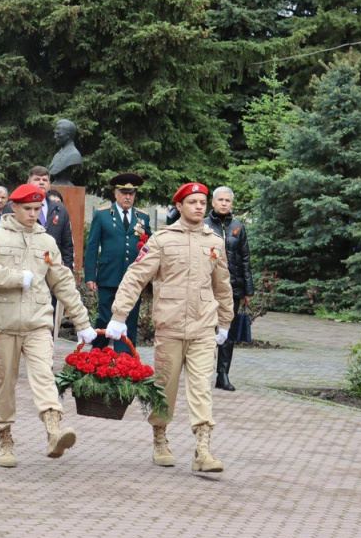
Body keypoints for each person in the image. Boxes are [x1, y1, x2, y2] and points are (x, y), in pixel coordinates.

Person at [104, 182, 234, 473]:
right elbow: (136, 276)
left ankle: (203, 449)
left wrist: (225, 321)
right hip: (170, 327)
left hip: (203, 327)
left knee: (202, 388)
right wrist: (119, 315)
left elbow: (222, 286)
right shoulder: (161, 240)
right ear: (179, 207)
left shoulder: (214, 242)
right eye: (193, 202)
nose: (199, 207)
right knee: (165, 389)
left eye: (202, 202)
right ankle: (160, 438)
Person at [0, 184, 96, 468]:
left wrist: (82, 321)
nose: (33, 214)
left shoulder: (46, 242)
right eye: (27, 209)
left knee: (44, 377)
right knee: (5, 386)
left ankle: (54, 431)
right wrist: (15, 277)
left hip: (38, 323)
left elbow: (62, 282)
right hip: (4, 326)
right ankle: (5, 440)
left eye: (37, 209)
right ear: (13, 207)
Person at [84, 173, 152, 353]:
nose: (128, 197)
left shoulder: (142, 217)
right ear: (115, 194)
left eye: (131, 193)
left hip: (133, 279)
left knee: (129, 319)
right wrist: (90, 275)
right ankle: (97, 357)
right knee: (105, 318)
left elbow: (150, 247)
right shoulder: (103, 214)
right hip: (109, 276)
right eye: (123, 192)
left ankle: (126, 363)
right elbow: (92, 246)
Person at [204, 186, 254, 391]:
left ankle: (222, 375)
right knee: (205, 331)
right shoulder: (203, 225)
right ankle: (202, 373)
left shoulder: (238, 227)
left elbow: (245, 260)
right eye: (220, 200)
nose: (224, 203)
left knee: (228, 333)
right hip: (206, 288)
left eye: (228, 200)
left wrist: (248, 290)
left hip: (231, 289)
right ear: (213, 202)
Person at [22, 166, 74, 269]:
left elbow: (67, 245)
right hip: (25, 269)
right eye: (37, 179)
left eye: (45, 180)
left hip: (53, 268)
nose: (41, 182)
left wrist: (67, 271)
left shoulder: (60, 209)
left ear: (49, 185)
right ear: (28, 183)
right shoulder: (16, 207)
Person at [47, 119, 83, 186]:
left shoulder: (74, 154)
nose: (55, 137)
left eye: (58, 133)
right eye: (55, 133)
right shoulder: (57, 154)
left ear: (68, 135)